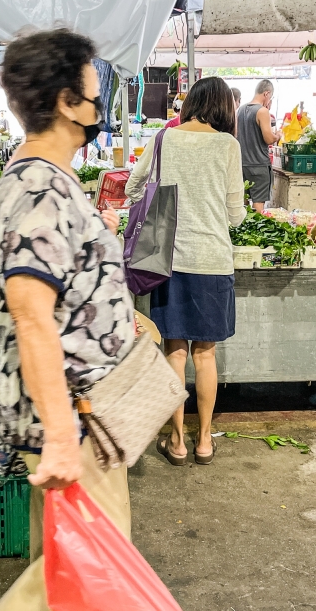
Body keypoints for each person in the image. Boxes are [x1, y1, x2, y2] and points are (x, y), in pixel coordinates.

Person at [0, 28, 135, 610]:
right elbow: (31, 315)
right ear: (66, 103)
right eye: (94, 94)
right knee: (91, 570)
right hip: (73, 414)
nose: (101, 106)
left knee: (68, 566)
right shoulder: (37, 186)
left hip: (79, 410)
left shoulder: (48, 177)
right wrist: (57, 437)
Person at [126, 77, 246, 466]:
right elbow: (235, 214)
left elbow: (133, 188)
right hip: (213, 260)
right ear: (225, 107)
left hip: (169, 261)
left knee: (174, 352)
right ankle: (205, 440)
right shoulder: (228, 145)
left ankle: (176, 442)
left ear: (190, 102)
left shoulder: (166, 138)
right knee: (205, 355)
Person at [237, 79, 279, 211]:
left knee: (242, 203)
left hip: (242, 164)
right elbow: (268, 138)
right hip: (259, 165)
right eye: (270, 97)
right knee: (258, 203)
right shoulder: (262, 111)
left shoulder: (241, 109)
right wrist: (278, 135)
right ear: (266, 93)